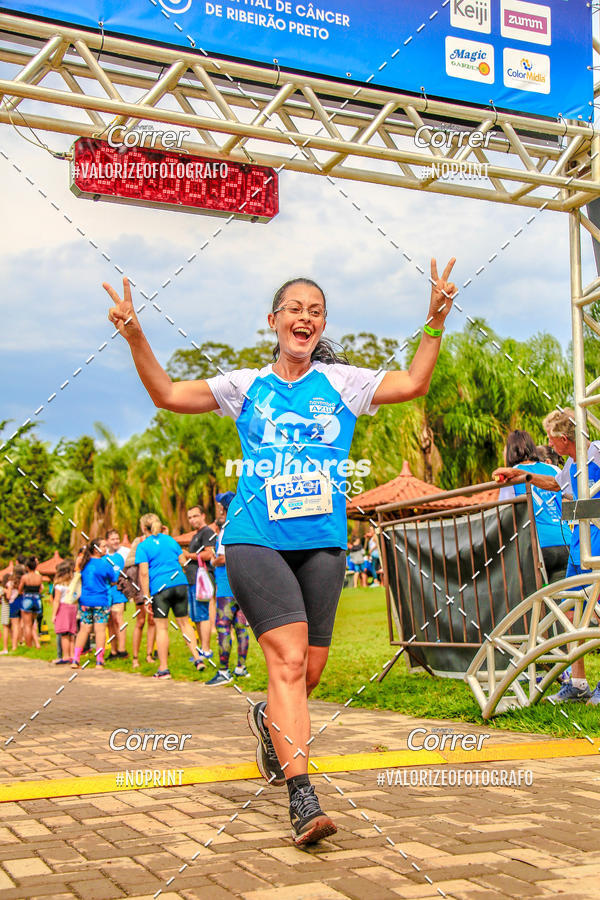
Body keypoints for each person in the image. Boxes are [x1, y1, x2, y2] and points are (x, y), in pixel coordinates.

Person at [105, 258, 457, 845]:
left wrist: (435, 322)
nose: (305, 318)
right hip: (255, 537)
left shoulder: (343, 385)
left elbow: (414, 383)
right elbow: (166, 394)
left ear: (321, 326)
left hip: (321, 543)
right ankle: (302, 799)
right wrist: (137, 334)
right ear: (274, 320)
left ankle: (270, 727)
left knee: (309, 670)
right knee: (288, 660)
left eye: (315, 312)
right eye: (295, 309)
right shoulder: (245, 386)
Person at [494, 409, 600, 705]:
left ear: (565, 439)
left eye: (553, 441)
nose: (550, 446)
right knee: (571, 615)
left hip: (599, 544)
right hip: (579, 546)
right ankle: (578, 684)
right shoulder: (570, 463)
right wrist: (524, 476)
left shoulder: (597, 453)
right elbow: (556, 485)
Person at [135, 513, 204, 679]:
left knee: (162, 627)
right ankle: (198, 659)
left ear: (144, 528)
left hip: (161, 587)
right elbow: (183, 561)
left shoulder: (143, 546)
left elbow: (144, 573)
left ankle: (164, 668)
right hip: (180, 583)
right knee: (185, 623)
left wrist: (146, 597)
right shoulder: (171, 540)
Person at [497, 430, 571, 584]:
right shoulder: (554, 469)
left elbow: (503, 516)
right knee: (565, 601)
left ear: (510, 450)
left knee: (540, 602)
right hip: (565, 541)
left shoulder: (512, 476)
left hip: (537, 546)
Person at [205, 492, 251, 686]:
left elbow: (223, 558)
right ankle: (241, 668)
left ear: (224, 508)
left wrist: (213, 560)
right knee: (241, 628)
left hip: (226, 586)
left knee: (223, 627)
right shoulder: (247, 525)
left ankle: (224, 671)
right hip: (244, 585)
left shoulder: (227, 529)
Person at [71, 540, 118, 669]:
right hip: (101, 601)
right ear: (96, 549)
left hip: (85, 601)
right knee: (100, 630)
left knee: (84, 629)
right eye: (103, 546)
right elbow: (114, 580)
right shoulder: (105, 563)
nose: (106, 548)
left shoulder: (83, 562)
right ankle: (99, 660)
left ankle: (75, 659)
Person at [181, 505, 217, 665]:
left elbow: (210, 554)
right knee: (195, 616)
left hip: (201, 578)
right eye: (190, 517)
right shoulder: (196, 535)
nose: (192, 520)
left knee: (202, 614)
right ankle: (202, 649)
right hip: (192, 578)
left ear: (203, 515)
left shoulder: (207, 532)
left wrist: (188, 555)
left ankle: (206, 649)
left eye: (195, 516)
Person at [117, 534, 155, 669]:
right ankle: (135, 657)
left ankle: (149, 655)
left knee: (152, 620)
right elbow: (129, 563)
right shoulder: (139, 540)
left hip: (153, 583)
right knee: (140, 621)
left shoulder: (158, 539)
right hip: (140, 585)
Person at [104, 529, 128, 661]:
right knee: (109, 621)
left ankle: (122, 650)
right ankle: (113, 651)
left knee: (118, 618)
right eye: (113, 539)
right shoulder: (103, 558)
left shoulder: (120, 557)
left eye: (117, 538)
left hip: (118, 590)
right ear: (107, 541)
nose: (116, 541)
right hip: (106, 592)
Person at [51, 559, 77, 664]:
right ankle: (72, 655)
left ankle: (65, 656)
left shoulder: (59, 585)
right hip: (73, 607)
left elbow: (56, 601)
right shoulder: (73, 584)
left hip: (63, 608)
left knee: (64, 633)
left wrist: (53, 615)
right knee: (71, 633)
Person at [18, 556, 42, 648]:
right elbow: (40, 589)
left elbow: (20, 589)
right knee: (33, 623)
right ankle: (35, 643)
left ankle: (29, 645)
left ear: (27, 567)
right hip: (36, 599)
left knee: (27, 625)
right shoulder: (39, 577)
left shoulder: (25, 577)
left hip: (27, 599)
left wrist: (22, 593)